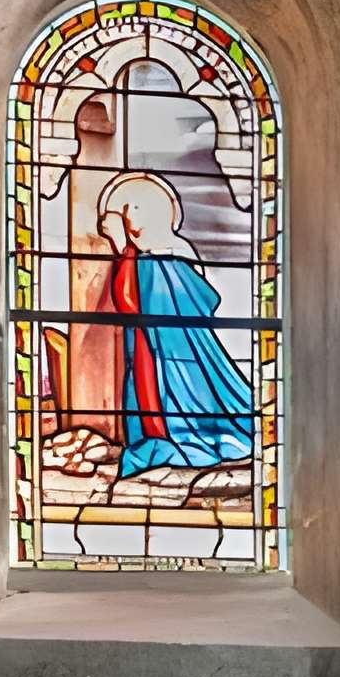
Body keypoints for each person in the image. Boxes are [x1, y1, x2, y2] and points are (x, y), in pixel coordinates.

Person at [95, 171, 259, 477]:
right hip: (146, 345)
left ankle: (179, 433)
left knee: (181, 401)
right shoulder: (142, 258)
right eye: (126, 209)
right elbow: (129, 305)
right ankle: (154, 435)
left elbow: (142, 302)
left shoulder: (174, 253)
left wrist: (126, 251)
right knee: (144, 392)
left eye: (136, 208)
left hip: (178, 353)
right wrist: (125, 251)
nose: (129, 217)